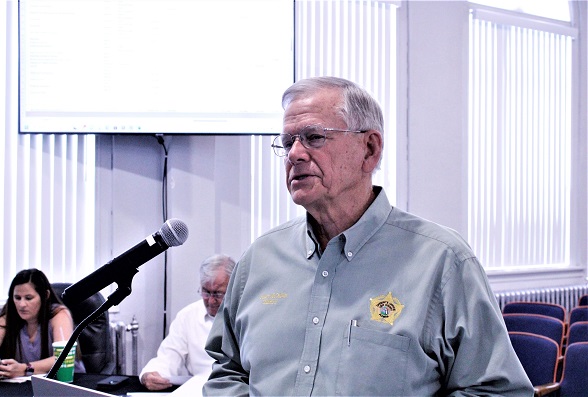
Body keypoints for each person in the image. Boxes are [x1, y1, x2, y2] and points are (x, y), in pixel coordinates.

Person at [203, 76, 534, 396]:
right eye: (288, 142)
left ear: (370, 149)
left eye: (314, 137)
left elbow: (496, 391)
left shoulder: (442, 261)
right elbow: (228, 370)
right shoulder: (259, 259)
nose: (295, 154)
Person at [139, 254, 236, 392]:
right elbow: (170, 355)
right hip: (196, 389)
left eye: (218, 294)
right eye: (206, 292)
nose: (210, 301)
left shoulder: (244, 315)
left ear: (233, 288)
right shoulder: (188, 316)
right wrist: (150, 374)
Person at [0, 268, 77, 378]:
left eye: (28, 298)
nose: (22, 304)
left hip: (67, 381)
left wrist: (25, 369)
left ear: (45, 296)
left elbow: (64, 357)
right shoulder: (8, 318)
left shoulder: (59, 314)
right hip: (24, 385)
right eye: (17, 298)